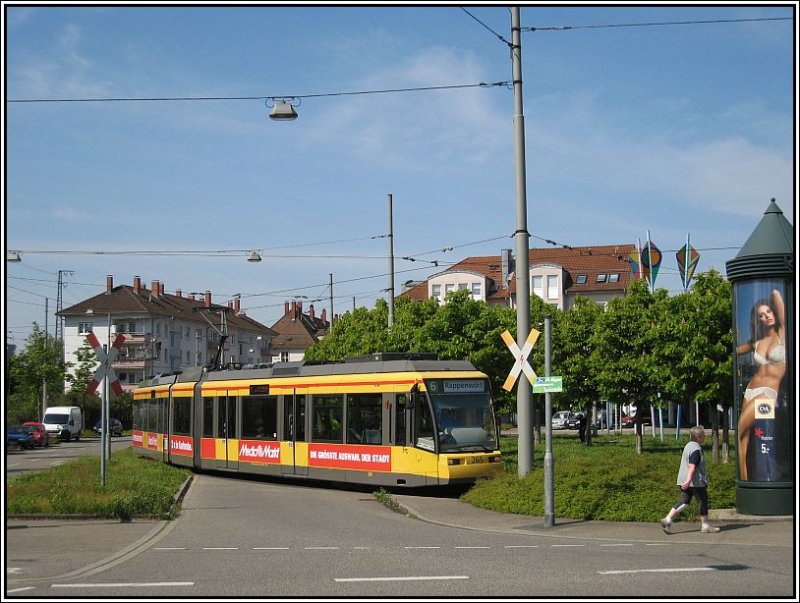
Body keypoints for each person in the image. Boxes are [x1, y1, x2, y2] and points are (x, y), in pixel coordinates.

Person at [735, 289, 786, 481]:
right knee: (743, 439)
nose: (766, 316)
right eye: (761, 315)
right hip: (751, 389)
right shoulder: (756, 341)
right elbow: (735, 350)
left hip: (768, 392)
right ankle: (745, 481)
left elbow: (776, 295)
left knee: (740, 429)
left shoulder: (783, 334)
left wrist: (770, 293)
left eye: (768, 312)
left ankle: (756, 479)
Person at [661, 425, 720, 534]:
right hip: (695, 482)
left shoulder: (688, 446)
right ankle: (705, 525)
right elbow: (692, 466)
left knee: (684, 501)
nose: (705, 437)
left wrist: (686, 481)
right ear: (698, 437)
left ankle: (668, 519)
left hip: (683, 480)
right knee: (703, 501)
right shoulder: (696, 449)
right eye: (703, 435)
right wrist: (688, 481)